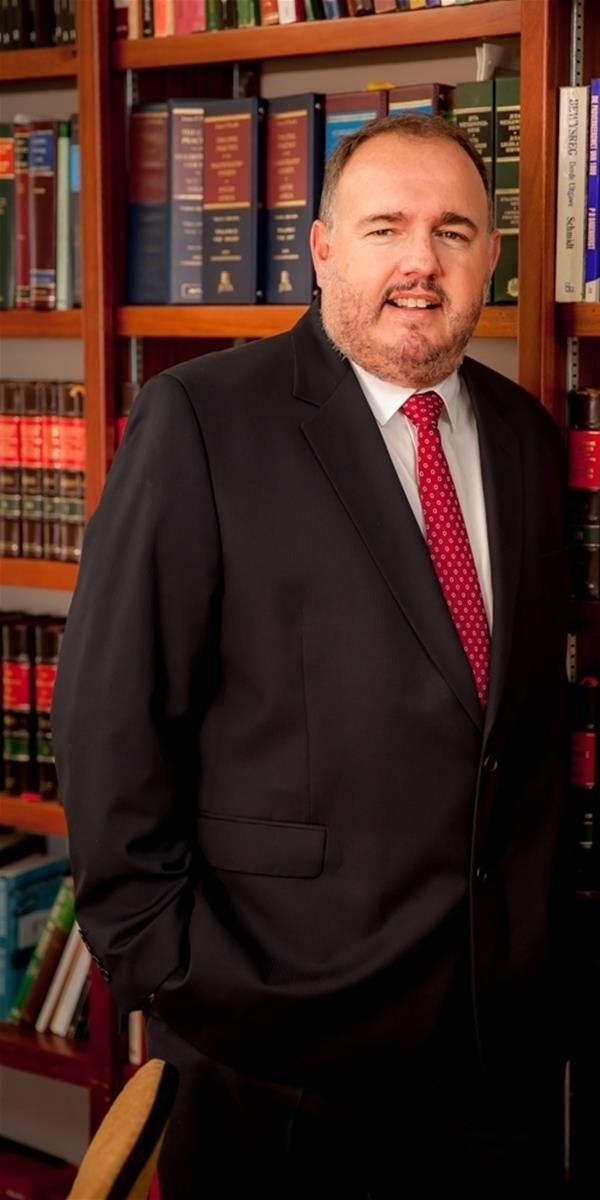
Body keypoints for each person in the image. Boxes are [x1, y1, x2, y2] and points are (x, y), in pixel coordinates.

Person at [52, 113, 571, 1199]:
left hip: (495, 1053)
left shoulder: (525, 439)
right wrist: (178, 976)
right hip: (274, 1056)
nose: (420, 261)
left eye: (453, 232)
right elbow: (112, 724)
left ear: (491, 259)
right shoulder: (201, 418)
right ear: (322, 249)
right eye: (385, 228)